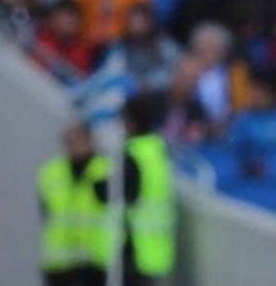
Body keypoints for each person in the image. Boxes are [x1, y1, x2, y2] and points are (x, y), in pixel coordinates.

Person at [98, 95, 175, 286]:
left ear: (131, 122)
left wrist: (98, 184)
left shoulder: (134, 154)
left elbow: (120, 193)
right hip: (157, 251)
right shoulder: (157, 150)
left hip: (135, 251)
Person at [36, 122, 114, 286]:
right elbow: (47, 212)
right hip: (59, 261)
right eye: (70, 140)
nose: (75, 145)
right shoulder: (51, 172)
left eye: (79, 140)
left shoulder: (105, 170)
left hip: (94, 261)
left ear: (89, 140)